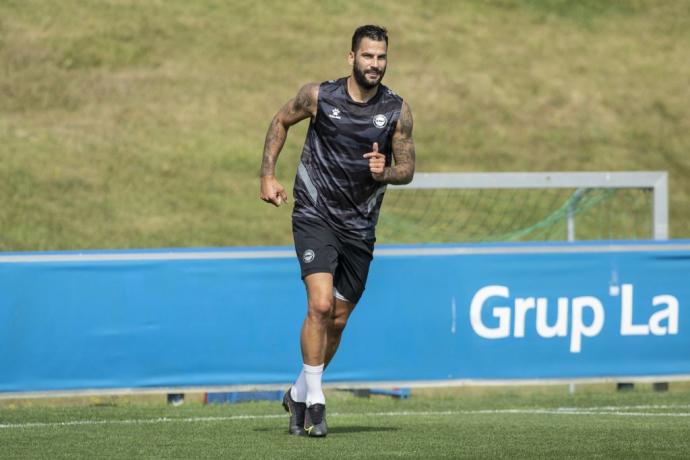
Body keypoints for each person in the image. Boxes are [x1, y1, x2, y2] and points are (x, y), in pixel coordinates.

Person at [259, 24, 415, 437]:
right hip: (314, 213)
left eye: (381, 57)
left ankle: (297, 393)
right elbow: (280, 120)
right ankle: (316, 403)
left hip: (360, 227)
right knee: (321, 305)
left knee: (338, 322)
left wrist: (389, 172)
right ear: (351, 58)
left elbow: (408, 169)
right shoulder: (320, 96)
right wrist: (268, 176)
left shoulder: (397, 110)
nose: (375, 64)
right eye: (367, 56)